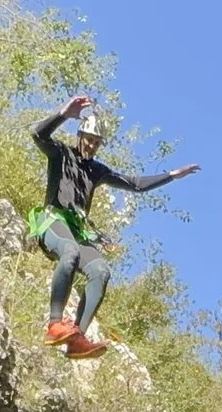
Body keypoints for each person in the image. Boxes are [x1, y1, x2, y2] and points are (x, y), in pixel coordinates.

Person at [31, 94, 199, 358]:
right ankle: (54, 323)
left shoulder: (96, 171)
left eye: (97, 143)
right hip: (52, 221)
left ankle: (77, 338)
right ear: (80, 136)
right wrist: (63, 113)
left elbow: (133, 184)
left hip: (76, 229)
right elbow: (38, 135)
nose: (93, 146)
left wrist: (171, 176)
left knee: (100, 271)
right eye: (89, 140)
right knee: (71, 252)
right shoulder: (61, 154)